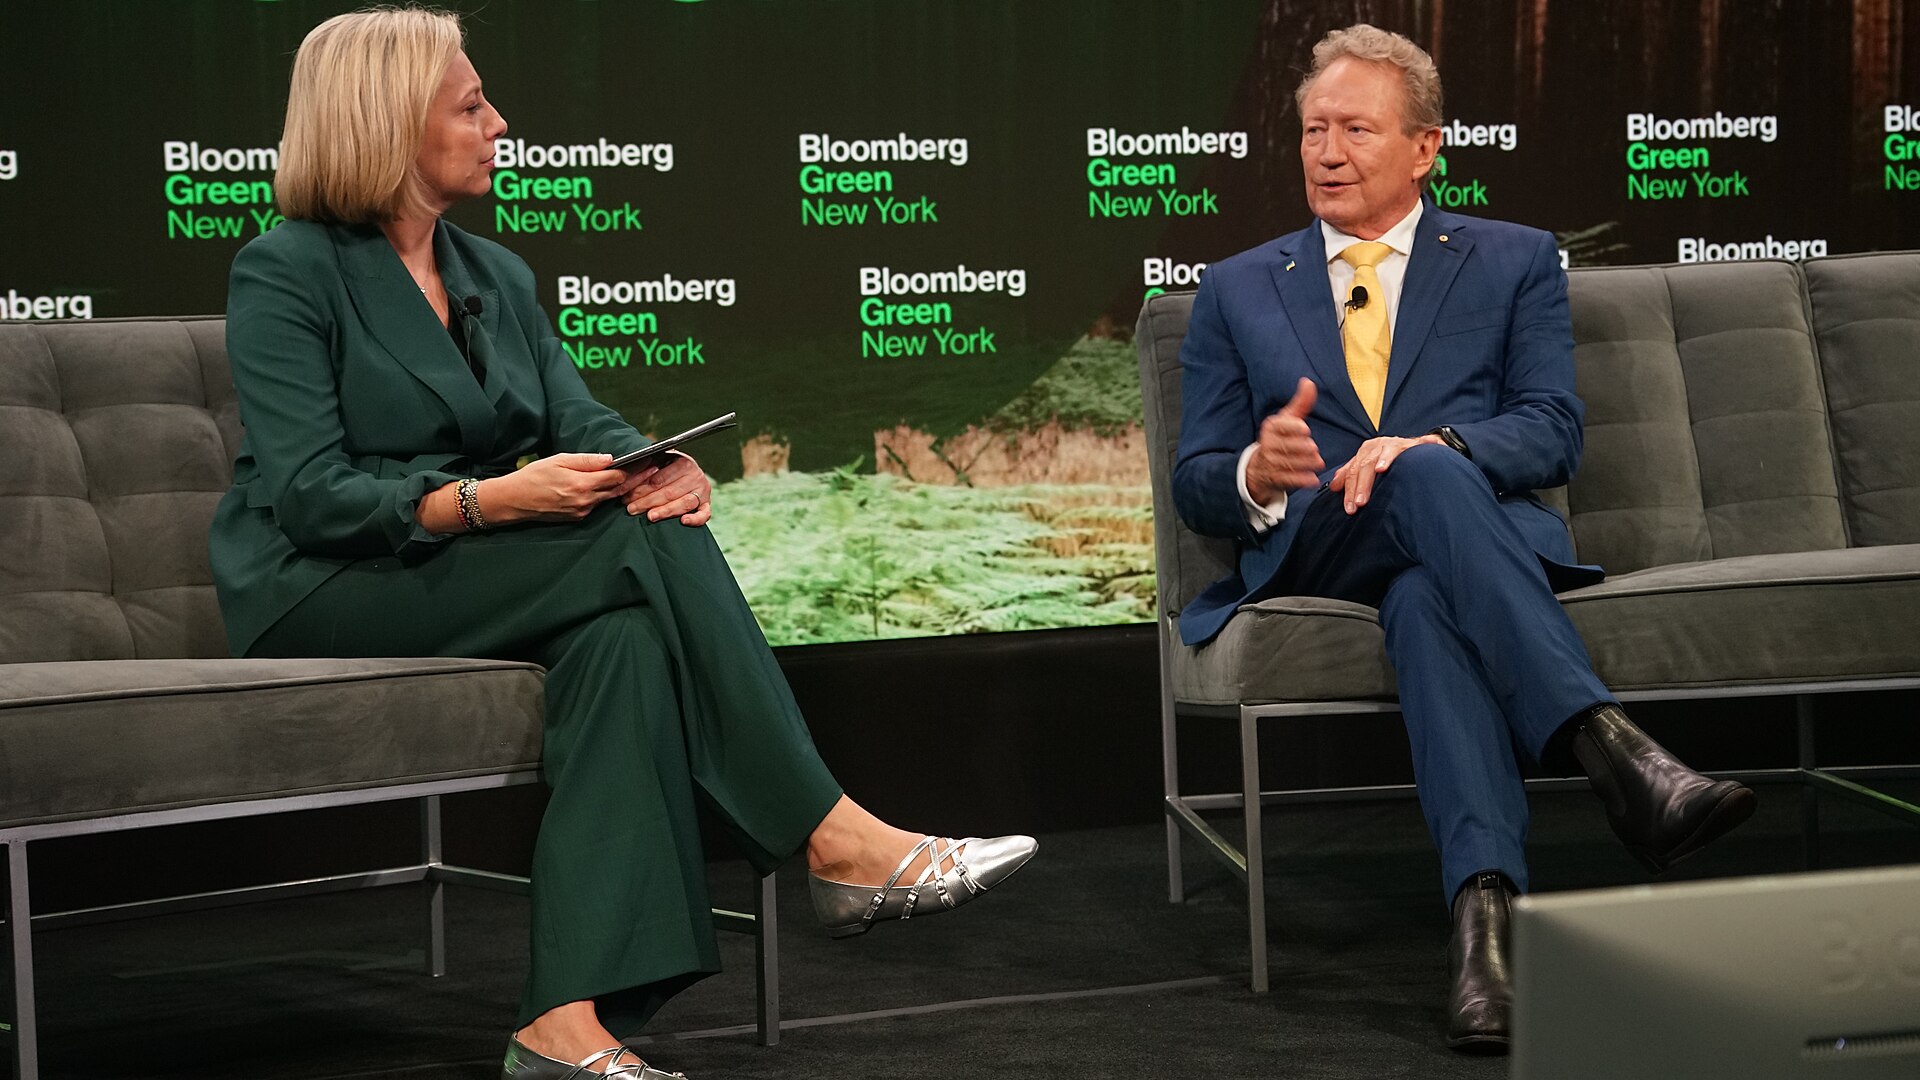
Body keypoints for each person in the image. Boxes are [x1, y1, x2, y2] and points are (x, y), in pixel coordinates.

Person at [210, 9, 1036, 1078]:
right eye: (471, 106)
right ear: (386, 124)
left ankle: (561, 1028)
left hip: (445, 574)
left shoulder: (491, 272)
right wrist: (493, 500)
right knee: (634, 554)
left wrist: (653, 463)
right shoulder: (286, 270)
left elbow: (578, 415)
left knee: (624, 644)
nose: (500, 122)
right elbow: (315, 499)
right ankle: (832, 838)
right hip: (318, 585)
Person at [1172, 24, 1756, 1051]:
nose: (1327, 150)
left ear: (1426, 147)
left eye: (1356, 127)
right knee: (1423, 489)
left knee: (1426, 595)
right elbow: (1195, 482)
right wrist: (1253, 475)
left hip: (1451, 547)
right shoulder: (1235, 287)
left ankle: (1484, 931)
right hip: (1317, 543)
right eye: (1313, 129)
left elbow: (1552, 429)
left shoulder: (1513, 259)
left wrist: (1430, 444)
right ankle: (1609, 748)